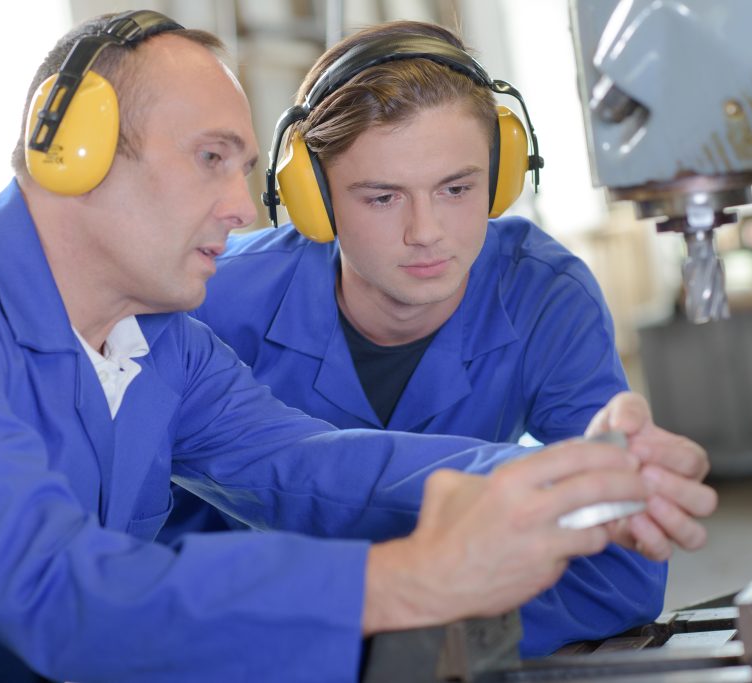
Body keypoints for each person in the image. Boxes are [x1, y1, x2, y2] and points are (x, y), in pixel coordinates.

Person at [0, 10, 715, 683]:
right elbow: (54, 590)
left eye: (244, 167)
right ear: (68, 149)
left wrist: (566, 476)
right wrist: (404, 581)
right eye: (211, 158)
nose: (239, 207)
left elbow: (315, 464)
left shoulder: (164, 347)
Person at [165, 18, 712, 656]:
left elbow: (621, 575)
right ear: (314, 198)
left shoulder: (543, 294)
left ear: (501, 178)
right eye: (381, 198)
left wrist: (410, 643)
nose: (426, 231)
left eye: (456, 188)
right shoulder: (207, 303)